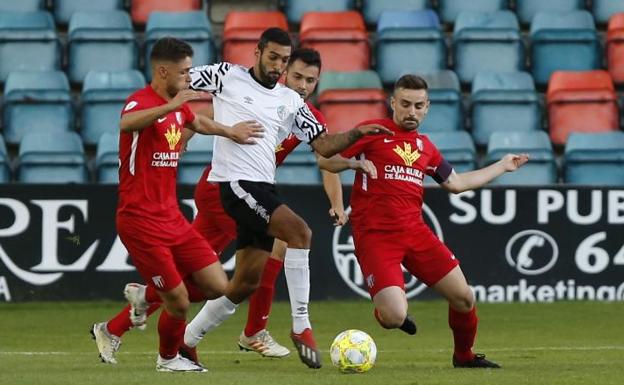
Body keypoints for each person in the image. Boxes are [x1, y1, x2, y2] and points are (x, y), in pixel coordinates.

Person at [91, 47, 375, 366]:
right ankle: (255, 331)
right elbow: (212, 109)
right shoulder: (253, 92)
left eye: (310, 80)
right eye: (296, 76)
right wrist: (181, 133)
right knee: (281, 243)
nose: (302, 85)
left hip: (227, 190)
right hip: (224, 187)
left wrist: (344, 182)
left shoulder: (301, 114)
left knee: (194, 278)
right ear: (283, 72)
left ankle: (115, 327)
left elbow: (325, 158)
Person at [182, 27, 391, 369]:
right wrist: (182, 124)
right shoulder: (227, 75)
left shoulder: (290, 102)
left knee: (244, 282)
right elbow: (180, 81)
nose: (278, 66)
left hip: (264, 186)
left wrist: (356, 134)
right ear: (259, 52)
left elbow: (323, 147)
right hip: (234, 183)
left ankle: (186, 341)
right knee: (299, 233)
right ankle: (301, 326)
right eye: (274, 57)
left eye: (283, 60)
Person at [90, 37, 262, 372]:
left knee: (217, 286)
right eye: (183, 72)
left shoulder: (178, 106)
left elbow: (197, 122)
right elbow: (126, 123)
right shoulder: (140, 101)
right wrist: (172, 106)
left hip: (172, 217)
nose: (189, 78)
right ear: (163, 70)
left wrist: (231, 132)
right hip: (139, 219)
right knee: (179, 301)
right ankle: (169, 359)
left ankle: (144, 296)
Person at [340, 74, 529, 369]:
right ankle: (390, 312)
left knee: (464, 297)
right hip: (376, 237)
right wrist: (339, 198)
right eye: (405, 104)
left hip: (416, 234)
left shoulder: (426, 147)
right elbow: (329, 159)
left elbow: (455, 182)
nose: (411, 111)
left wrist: (502, 166)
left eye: (418, 105)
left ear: (427, 107)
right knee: (393, 318)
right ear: (393, 103)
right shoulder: (371, 133)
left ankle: (464, 356)